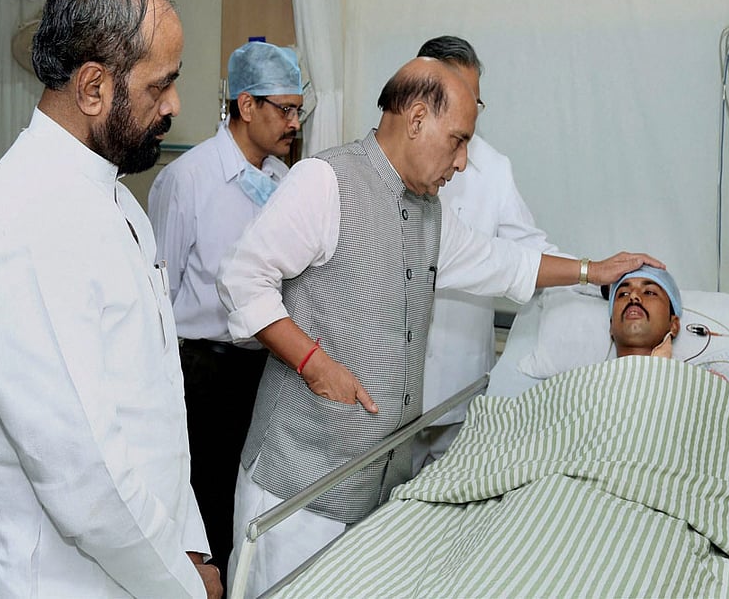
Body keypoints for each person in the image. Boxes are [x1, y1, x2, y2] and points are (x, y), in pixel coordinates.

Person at [217, 56, 663, 596]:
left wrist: (593, 270)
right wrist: (314, 365)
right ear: (416, 119)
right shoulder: (326, 180)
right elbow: (242, 278)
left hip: (375, 482)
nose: (463, 161)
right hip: (299, 486)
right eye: (458, 141)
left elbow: (502, 262)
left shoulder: (428, 212)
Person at [0, 0, 221, 598]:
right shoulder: (25, 224)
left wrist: (187, 543)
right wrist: (183, 583)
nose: (174, 105)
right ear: (93, 87)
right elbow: (84, 478)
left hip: (139, 565)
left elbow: (155, 406)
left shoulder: (112, 196)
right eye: (160, 85)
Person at [148, 40, 303, 594]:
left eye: (299, 110)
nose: (294, 123)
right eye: (285, 109)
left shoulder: (285, 182)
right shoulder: (187, 180)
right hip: (204, 372)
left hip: (266, 367)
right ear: (246, 105)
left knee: (251, 506)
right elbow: (158, 292)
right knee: (207, 507)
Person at [413, 35, 565, 474]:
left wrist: (593, 276)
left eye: (475, 100)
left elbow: (528, 250)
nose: (468, 109)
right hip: (389, 392)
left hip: (459, 388)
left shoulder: (493, 168)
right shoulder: (386, 161)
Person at [606, 265, 682, 358]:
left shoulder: (694, 368)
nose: (633, 295)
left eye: (649, 292)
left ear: (674, 325)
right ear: (611, 325)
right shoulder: (589, 367)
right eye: (624, 294)